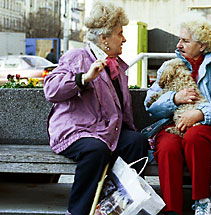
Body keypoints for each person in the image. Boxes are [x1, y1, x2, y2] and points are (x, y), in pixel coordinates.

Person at [43, 2, 148, 215]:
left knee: (136, 142)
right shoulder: (77, 57)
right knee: (96, 149)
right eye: (120, 34)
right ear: (104, 38)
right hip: (76, 130)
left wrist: (134, 132)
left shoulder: (116, 65)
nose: (124, 39)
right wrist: (83, 78)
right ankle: (78, 210)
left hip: (105, 131)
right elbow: (51, 90)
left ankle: (118, 203)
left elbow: (122, 109)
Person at [144, 12, 211, 215]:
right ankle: (172, 209)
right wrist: (174, 99)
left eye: (185, 41)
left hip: (209, 126)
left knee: (195, 137)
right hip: (173, 124)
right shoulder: (168, 66)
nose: (179, 45)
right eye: (179, 39)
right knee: (168, 145)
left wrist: (199, 113)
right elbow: (150, 104)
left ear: (202, 45)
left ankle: (202, 201)